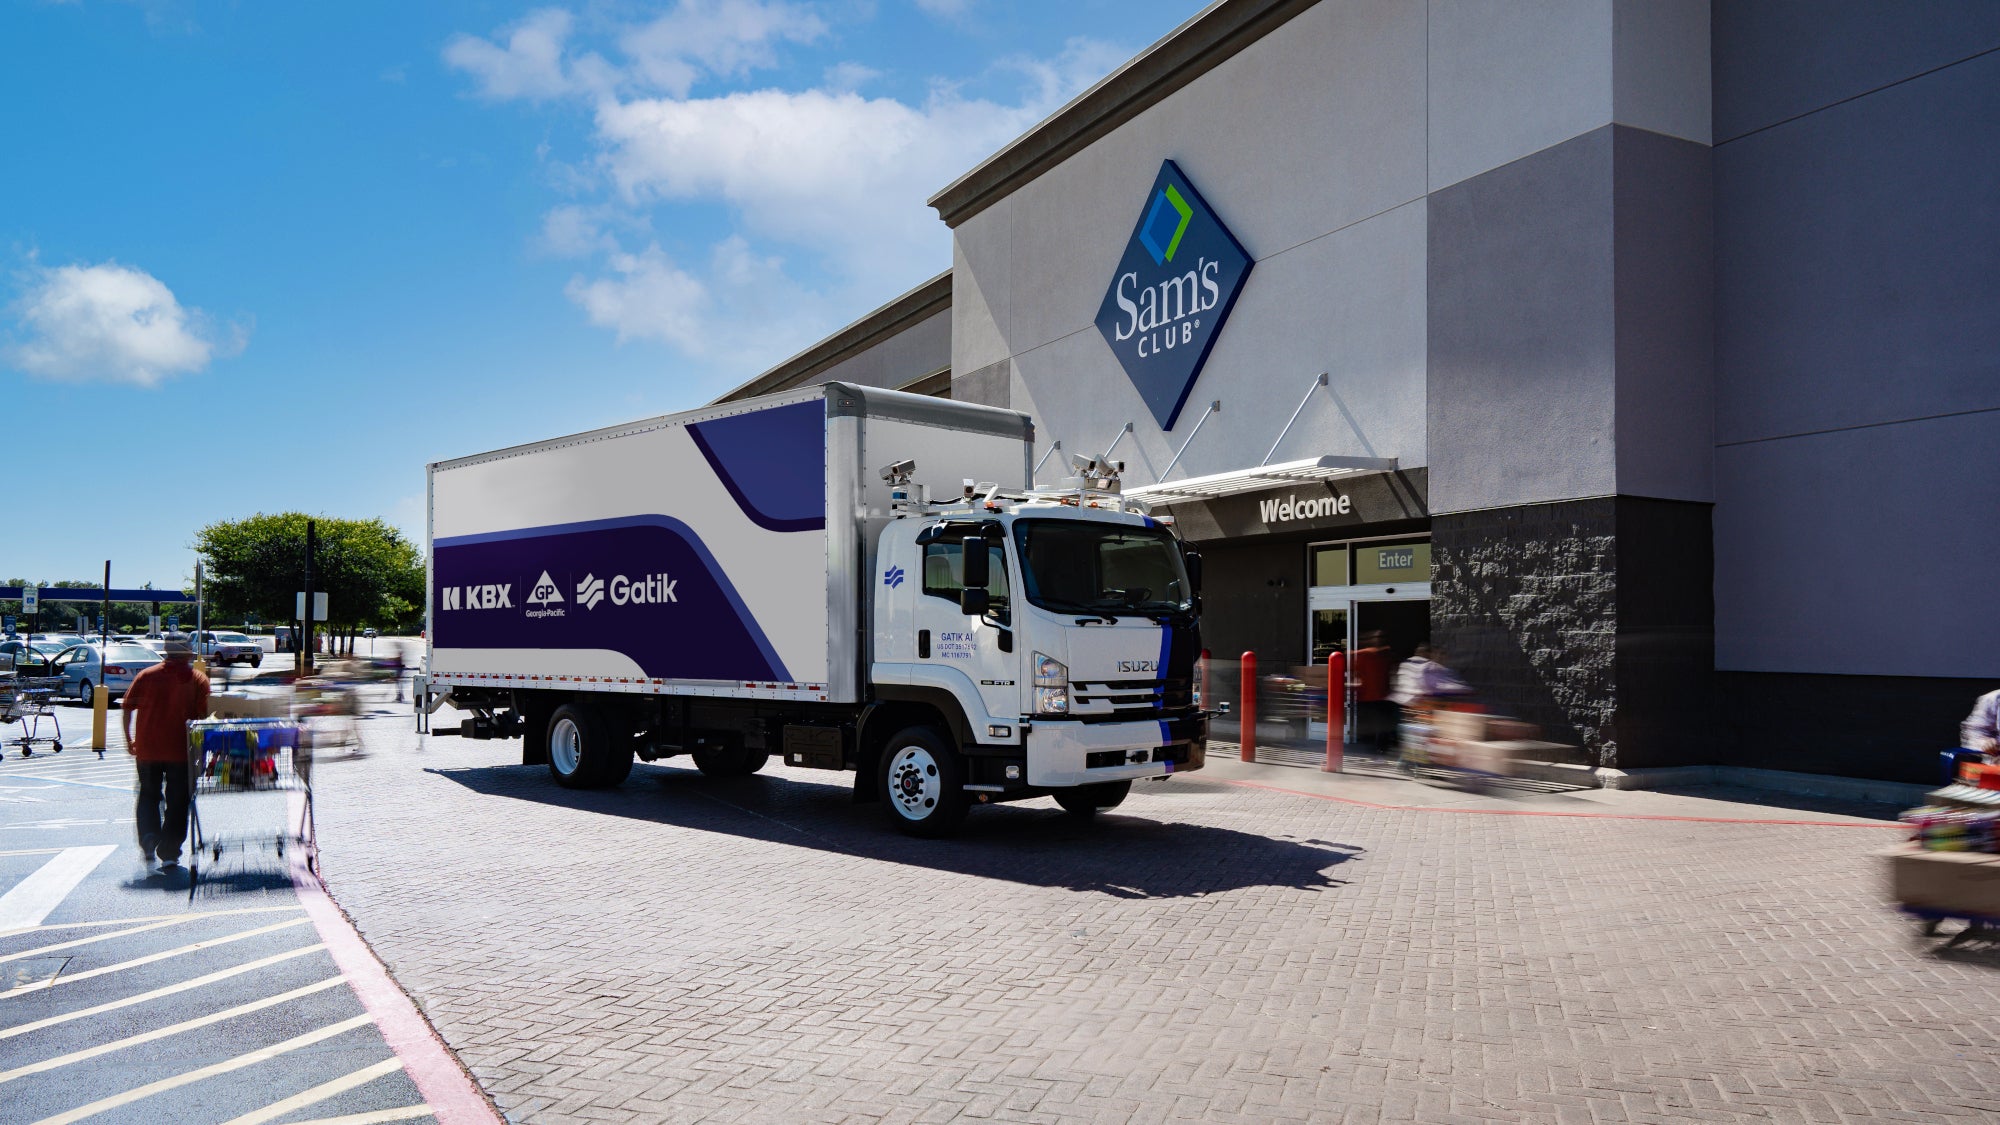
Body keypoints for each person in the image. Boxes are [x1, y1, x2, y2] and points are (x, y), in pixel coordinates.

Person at [120, 637, 210, 867]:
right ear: (189, 654)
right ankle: (169, 851)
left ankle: (149, 839)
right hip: (180, 751)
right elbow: (203, 718)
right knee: (178, 801)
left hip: (147, 749)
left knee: (148, 796)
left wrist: (129, 738)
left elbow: (127, 707)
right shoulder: (197, 679)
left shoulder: (146, 676)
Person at [1351, 631, 1395, 753]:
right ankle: (1377, 746)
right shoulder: (1369, 654)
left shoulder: (1383, 655)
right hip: (1372, 696)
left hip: (1378, 695)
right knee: (1377, 723)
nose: (1379, 640)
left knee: (1378, 723)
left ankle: (1378, 746)